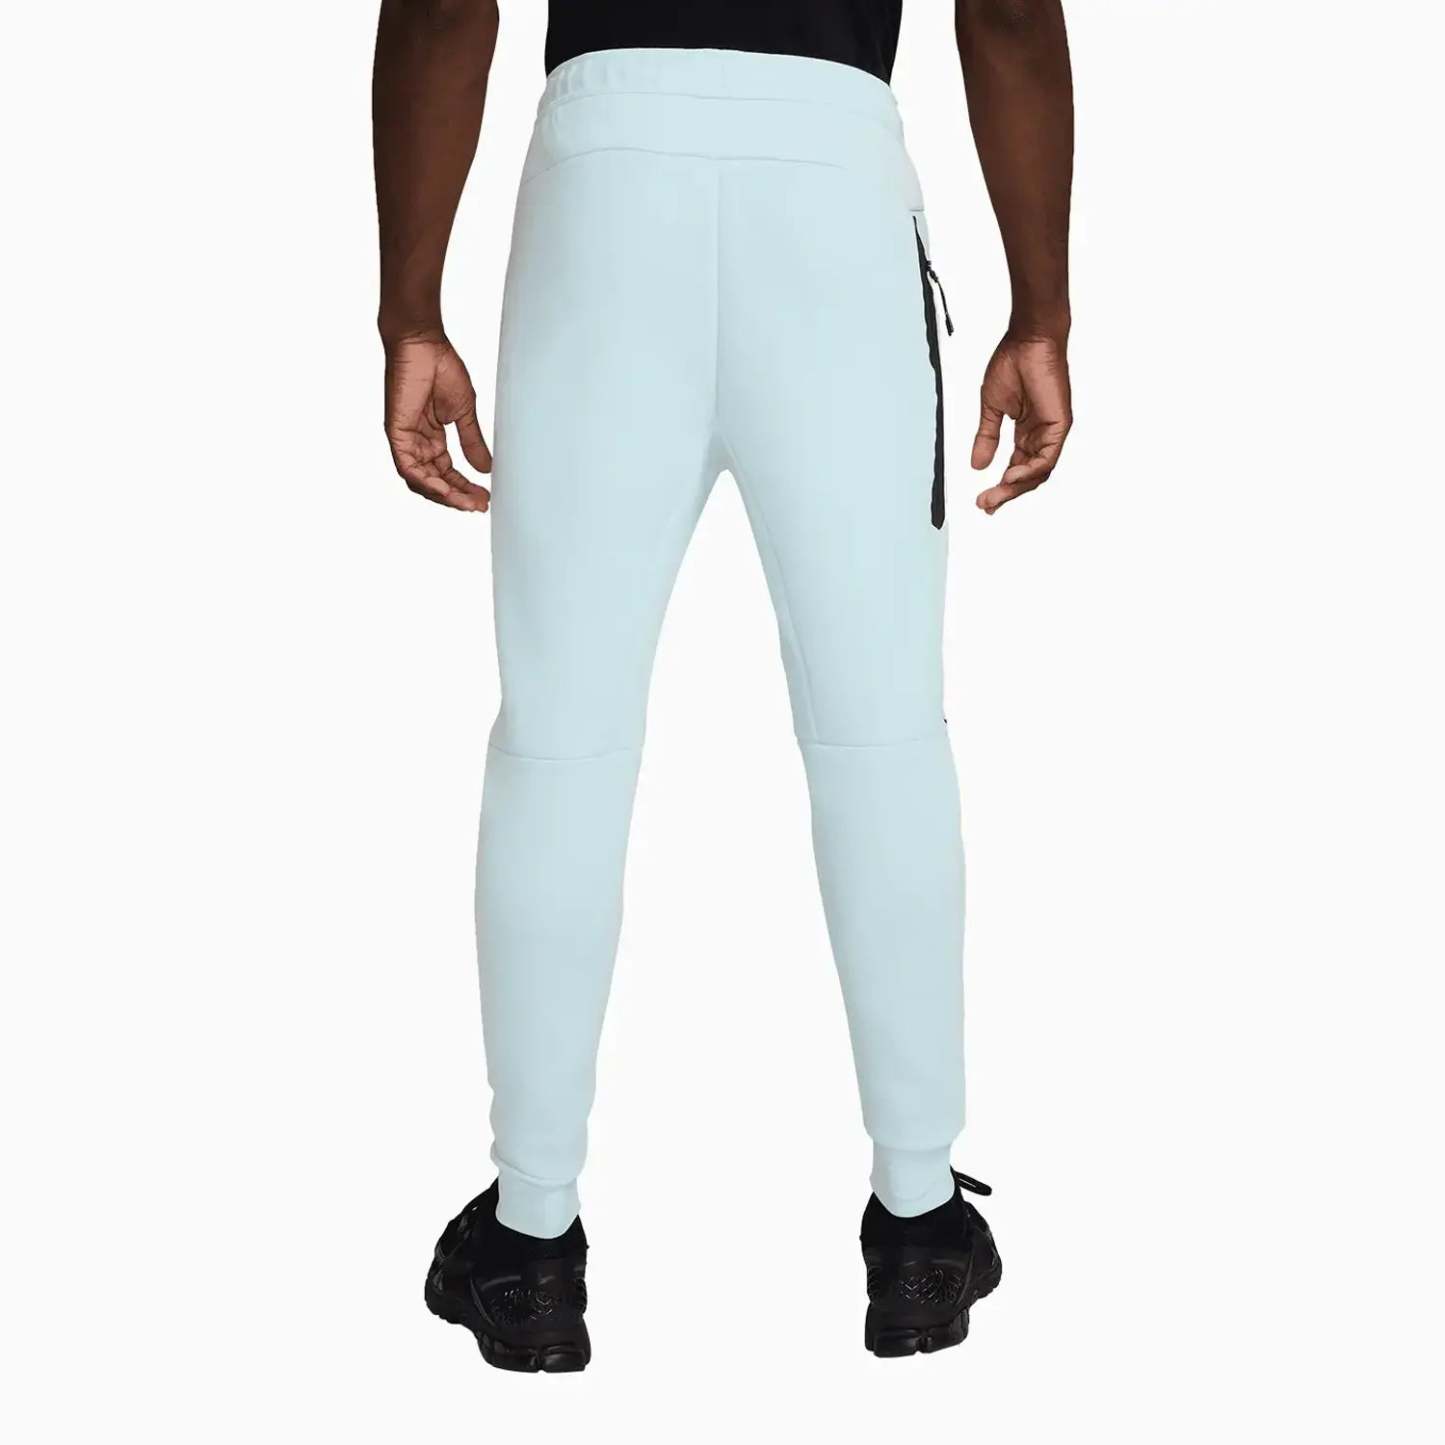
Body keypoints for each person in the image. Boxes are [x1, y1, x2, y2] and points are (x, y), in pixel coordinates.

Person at [374, 0, 1073, 1371]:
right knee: (883, 728)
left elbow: (447, 7)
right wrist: (1039, 309)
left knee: (559, 733)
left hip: (605, 169)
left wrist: (410, 308)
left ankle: (530, 1240)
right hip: (832, 175)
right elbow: (1003, 12)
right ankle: (920, 1221)